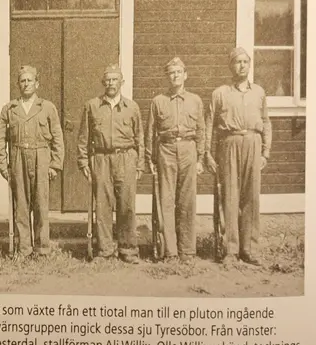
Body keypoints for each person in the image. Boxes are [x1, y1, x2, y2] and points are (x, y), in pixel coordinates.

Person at [205, 47, 272, 266]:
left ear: (249, 65)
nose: (241, 66)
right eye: (237, 62)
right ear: (230, 66)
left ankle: (249, 249)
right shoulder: (220, 93)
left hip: (253, 142)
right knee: (230, 196)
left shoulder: (259, 92)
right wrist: (207, 153)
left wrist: (265, 152)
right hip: (229, 143)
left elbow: (266, 122)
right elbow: (209, 124)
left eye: (245, 62)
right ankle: (230, 251)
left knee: (251, 197)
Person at [77, 64, 144, 264]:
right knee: (103, 206)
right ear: (103, 82)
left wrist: (140, 164)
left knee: (126, 206)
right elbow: (83, 137)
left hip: (126, 158)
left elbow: (139, 137)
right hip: (101, 159)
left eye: (115, 79)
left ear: (121, 82)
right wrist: (84, 162)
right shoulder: (92, 106)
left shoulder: (132, 107)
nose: (111, 83)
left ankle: (128, 250)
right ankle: (105, 250)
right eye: (108, 80)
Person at [0, 65, 64, 260]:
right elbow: (0, 140)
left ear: (37, 84)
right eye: (22, 81)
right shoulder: (9, 109)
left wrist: (55, 164)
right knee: (22, 205)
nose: (26, 84)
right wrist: (3, 166)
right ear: (18, 84)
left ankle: (42, 249)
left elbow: (58, 138)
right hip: (18, 157)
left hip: (41, 157)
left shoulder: (47, 107)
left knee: (41, 204)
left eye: (29, 80)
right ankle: (24, 248)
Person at [145, 57, 205, 263]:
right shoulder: (158, 101)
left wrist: (200, 158)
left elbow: (201, 130)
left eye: (179, 72)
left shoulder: (195, 101)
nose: (175, 76)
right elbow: (150, 131)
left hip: (189, 149)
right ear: (167, 77)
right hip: (166, 150)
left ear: (185, 75)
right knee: (167, 200)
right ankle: (170, 251)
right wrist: (150, 158)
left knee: (187, 200)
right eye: (171, 73)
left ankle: (187, 250)